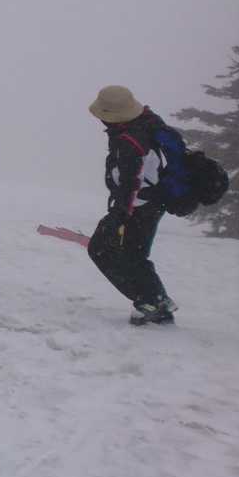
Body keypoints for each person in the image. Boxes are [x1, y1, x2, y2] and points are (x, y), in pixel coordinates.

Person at [86, 85, 187, 325]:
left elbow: (131, 182)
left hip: (140, 205)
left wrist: (119, 215)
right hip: (153, 202)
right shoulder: (146, 122)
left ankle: (150, 301)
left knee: (100, 249)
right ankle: (157, 300)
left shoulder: (129, 141)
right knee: (135, 255)